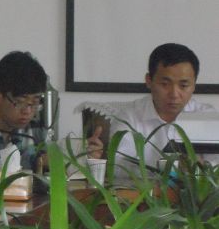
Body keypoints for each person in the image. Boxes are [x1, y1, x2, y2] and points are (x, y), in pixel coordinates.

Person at [87, 43, 214, 177]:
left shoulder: (207, 117)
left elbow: (215, 167)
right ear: (149, 81)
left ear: (194, 85)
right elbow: (119, 168)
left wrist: (200, 168)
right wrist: (171, 166)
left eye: (183, 85)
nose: (174, 94)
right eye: (165, 84)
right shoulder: (129, 117)